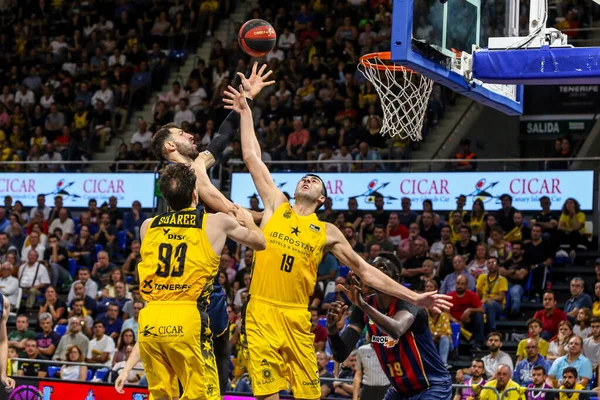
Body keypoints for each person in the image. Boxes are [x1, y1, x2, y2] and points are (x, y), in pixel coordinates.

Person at [224, 69, 451, 400]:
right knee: (267, 394)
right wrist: (246, 110)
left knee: (309, 396)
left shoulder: (327, 231)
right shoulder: (277, 204)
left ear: (321, 200)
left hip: (297, 316)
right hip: (261, 311)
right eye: (305, 176)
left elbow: (366, 270)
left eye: (315, 180)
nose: (308, 178)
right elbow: (251, 157)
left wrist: (414, 297)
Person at [131, 163, 267, 400]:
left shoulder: (147, 226)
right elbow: (260, 243)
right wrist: (248, 220)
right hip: (187, 316)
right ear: (195, 194)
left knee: (161, 396)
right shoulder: (216, 222)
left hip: (150, 321)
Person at [326, 253, 452, 400]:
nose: (374, 272)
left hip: (432, 386)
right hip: (400, 391)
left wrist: (362, 304)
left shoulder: (411, 302)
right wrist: (332, 329)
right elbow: (340, 354)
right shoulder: (364, 307)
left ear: (396, 278)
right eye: (372, 268)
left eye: (382, 268)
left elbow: (396, 329)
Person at [354, 335, 390, 400]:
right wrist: (355, 397)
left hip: (386, 389)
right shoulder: (361, 350)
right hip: (367, 390)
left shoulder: (390, 350)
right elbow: (358, 374)